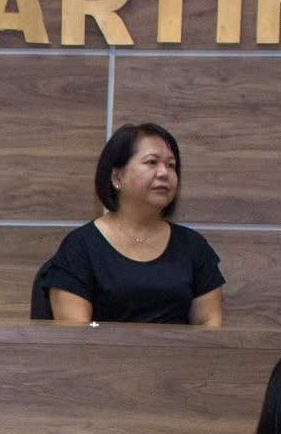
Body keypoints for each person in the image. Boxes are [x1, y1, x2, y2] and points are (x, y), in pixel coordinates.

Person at [42, 122, 224, 326]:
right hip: (105, 356)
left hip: (178, 357)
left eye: (171, 165)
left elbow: (210, 327)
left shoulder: (193, 247)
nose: (164, 173)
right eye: (152, 162)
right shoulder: (80, 247)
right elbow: (75, 336)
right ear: (117, 176)